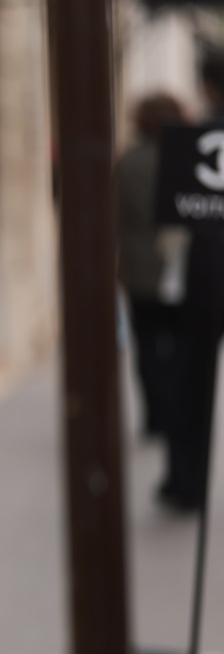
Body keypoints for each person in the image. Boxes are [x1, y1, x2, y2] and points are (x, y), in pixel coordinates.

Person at [161, 52, 224, 512]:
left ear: (207, 85)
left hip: (206, 272)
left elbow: (172, 216)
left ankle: (187, 484)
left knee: (192, 383)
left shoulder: (194, 138)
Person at [115, 93, 186, 444]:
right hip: (179, 268)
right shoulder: (185, 161)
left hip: (139, 268)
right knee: (177, 344)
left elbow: (114, 217)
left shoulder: (127, 162)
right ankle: (175, 411)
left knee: (146, 346)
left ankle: (155, 416)